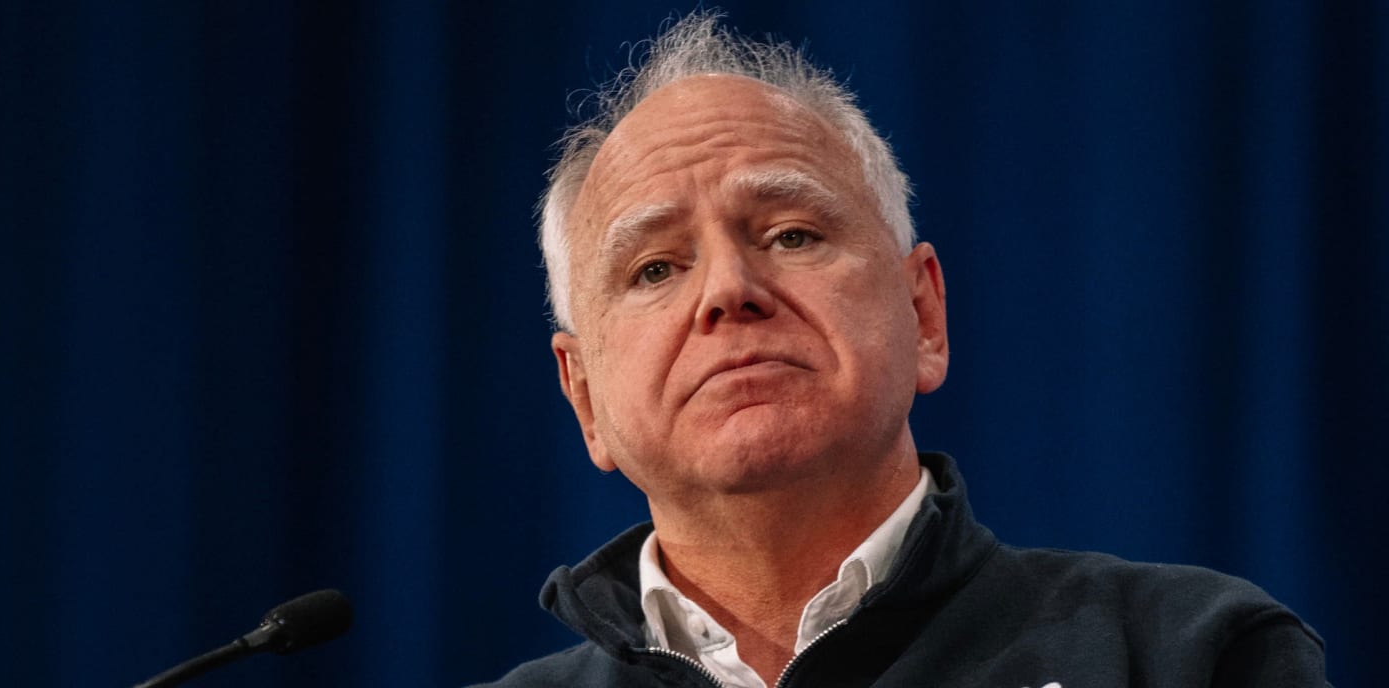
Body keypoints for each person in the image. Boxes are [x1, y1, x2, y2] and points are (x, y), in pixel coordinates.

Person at [479, 11, 1328, 688]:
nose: (728, 290)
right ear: (584, 396)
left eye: (793, 234)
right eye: (656, 266)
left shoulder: (1187, 656)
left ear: (924, 315)